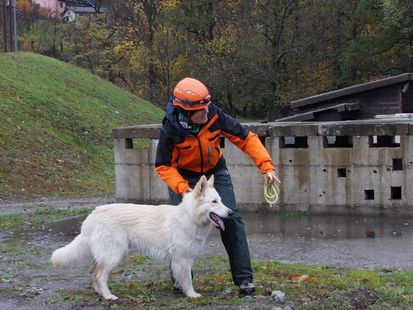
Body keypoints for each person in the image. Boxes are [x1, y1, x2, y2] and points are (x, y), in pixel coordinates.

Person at [155, 77, 280, 295]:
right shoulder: (170, 130)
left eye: (207, 106)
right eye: (200, 110)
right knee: (180, 227)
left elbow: (246, 138)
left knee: (230, 219)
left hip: (216, 173)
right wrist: (183, 188)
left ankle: (244, 279)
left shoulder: (215, 115)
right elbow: (164, 166)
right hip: (183, 178)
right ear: (185, 111)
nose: (206, 112)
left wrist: (267, 167)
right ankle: (181, 281)